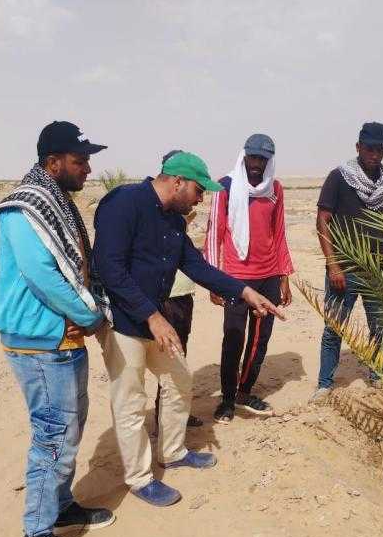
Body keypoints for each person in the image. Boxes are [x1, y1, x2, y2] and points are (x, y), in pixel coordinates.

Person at [93, 151, 285, 507]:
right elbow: (109, 268)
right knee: (130, 402)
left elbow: (197, 267)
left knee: (180, 381)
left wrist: (244, 291)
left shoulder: (174, 223)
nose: (201, 198)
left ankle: (174, 451)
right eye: (199, 190)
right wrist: (152, 316)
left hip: (156, 322)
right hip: (125, 322)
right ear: (177, 181)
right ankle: (139, 478)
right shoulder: (124, 203)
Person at [0, 120, 115, 537]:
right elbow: (46, 278)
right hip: (39, 342)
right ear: (53, 162)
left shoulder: (57, 204)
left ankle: (60, 507)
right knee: (54, 435)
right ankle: (36, 536)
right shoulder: (23, 210)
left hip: (62, 338)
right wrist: (92, 316)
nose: (88, 170)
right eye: (80, 162)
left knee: (71, 426)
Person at [312, 122, 383, 402]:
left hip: (378, 270)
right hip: (344, 269)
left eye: (380, 148)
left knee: (381, 327)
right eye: (370, 148)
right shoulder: (339, 178)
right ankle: (324, 384)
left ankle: (377, 376)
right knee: (334, 328)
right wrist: (333, 265)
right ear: (358, 147)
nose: (375, 154)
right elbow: (322, 221)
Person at [204, 134, 294, 424]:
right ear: (244, 156)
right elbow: (214, 232)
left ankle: (245, 391)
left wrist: (284, 276)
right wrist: (214, 280)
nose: (256, 164)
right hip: (235, 277)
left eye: (262, 159)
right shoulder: (225, 186)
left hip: (269, 275)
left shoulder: (275, 189)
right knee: (233, 337)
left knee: (260, 339)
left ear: (269, 161)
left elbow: (279, 234)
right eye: (253, 157)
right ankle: (227, 400)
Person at [154, 150, 204, 432]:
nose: (198, 197)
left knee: (179, 356)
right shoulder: (161, 212)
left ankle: (172, 417)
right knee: (171, 363)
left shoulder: (175, 214)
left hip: (183, 292)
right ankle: (167, 421)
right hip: (167, 298)